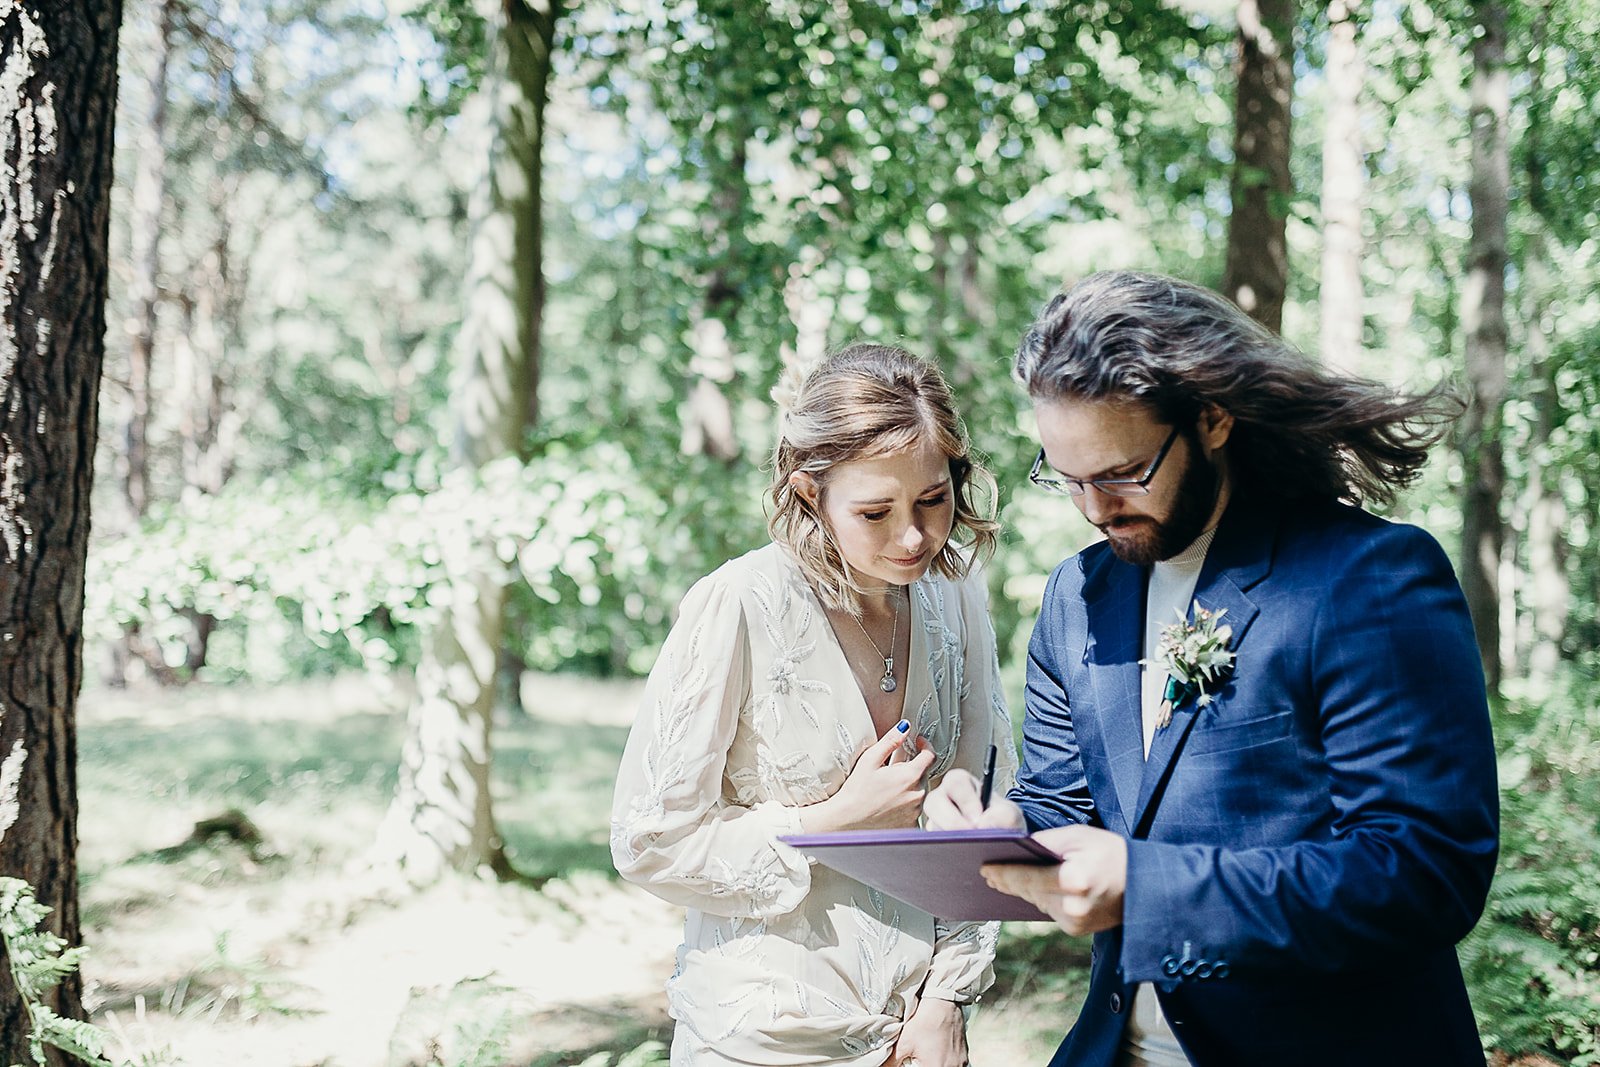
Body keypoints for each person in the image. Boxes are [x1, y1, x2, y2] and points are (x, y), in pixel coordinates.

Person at [925, 270, 1499, 1066]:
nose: (1094, 508)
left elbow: (1422, 870)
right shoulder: (1076, 595)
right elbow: (1063, 803)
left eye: (1122, 472)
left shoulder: (1368, 577)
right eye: (1067, 477)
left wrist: (1148, 886)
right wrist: (1003, 827)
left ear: (1213, 418)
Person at [612, 342, 1018, 1067]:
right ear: (809, 493)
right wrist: (826, 822)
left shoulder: (957, 598)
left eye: (933, 498)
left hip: (916, 1038)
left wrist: (947, 999)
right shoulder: (735, 604)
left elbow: (984, 808)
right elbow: (649, 839)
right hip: (759, 1038)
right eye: (875, 510)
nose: (915, 535)